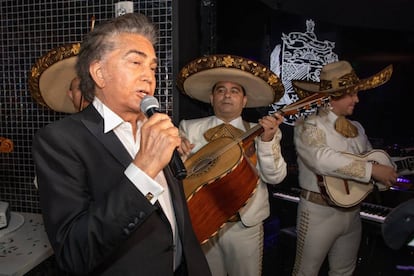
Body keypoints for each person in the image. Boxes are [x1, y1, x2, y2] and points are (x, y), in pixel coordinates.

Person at [32, 13, 211, 276]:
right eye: (136, 62)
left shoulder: (156, 127)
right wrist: (144, 168)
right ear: (100, 73)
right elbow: (74, 252)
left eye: (152, 67)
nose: (149, 76)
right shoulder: (60, 141)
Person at [176, 54, 287, 276]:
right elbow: (180, 177)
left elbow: (275, 178)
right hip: (203, 220)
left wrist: (266, 142)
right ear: (211, 97)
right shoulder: (189, 128)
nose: (227, 96)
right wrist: (177, 155)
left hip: (245, 226)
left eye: (234, 91)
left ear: (244, 100)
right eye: (220, 90)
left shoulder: (262, 130)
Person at [291, 60, 398, 276]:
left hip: (353, 213)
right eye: (352, 94)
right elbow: (321, 159)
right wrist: (371, 171)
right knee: (306, 273)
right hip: (318, 213)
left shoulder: (357, 128)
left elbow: (372, 159)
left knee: (344, 272)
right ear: (334, 96)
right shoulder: (308, 125)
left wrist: (390, 168)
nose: (357, 99)